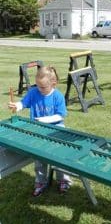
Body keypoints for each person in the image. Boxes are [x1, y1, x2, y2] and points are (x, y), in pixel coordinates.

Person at [8, 66, 72, 197]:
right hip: (37, 131)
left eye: (43, 87)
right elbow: (24, 103)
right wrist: (17, 106)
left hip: (56, 131)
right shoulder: (33, 92)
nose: (39, 89)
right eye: (38, 86)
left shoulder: (58, 96)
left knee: (59, 157)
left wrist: (44, 120)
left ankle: (64, 180)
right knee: (39, 159)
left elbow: (60, 116)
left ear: (53, 84)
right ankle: (40, 182)